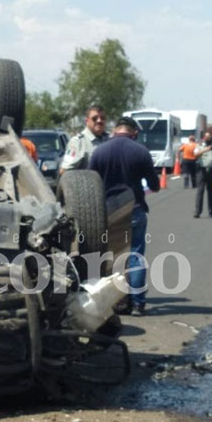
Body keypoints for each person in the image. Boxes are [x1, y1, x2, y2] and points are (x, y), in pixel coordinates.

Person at [87, 116, 160, 316]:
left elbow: (89, 183)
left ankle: (116, 303)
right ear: (134, 133)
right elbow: (155, 185)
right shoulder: (141, 152)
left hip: (107, 211)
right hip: (134, 208)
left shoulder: (99, 151)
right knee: (135, 256)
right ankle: (137, 304)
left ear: (114, 131)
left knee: (112, 257)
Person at [61, 104, 109, 173]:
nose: (99, 121)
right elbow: (64, 171)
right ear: (87, 121)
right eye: (94, 118)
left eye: (102, 118)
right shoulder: (77, 142)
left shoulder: (110, 140)